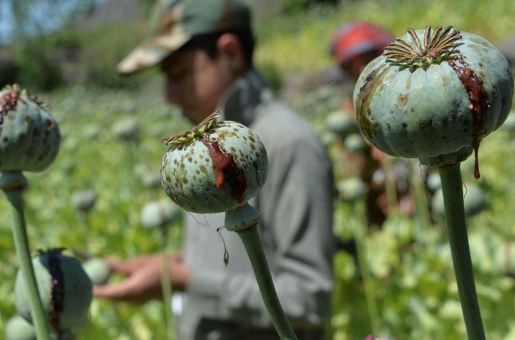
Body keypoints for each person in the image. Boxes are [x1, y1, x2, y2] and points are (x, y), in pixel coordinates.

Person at [93, 0, 336, 339]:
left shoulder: (288, 144)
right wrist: (170, 266)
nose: (170, 96)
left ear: (230, 53)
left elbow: (308, 300)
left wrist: (184, 281)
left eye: (178, 74)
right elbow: (238, 256)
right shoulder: (207, 150)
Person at [327, 22, 414, 227]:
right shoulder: (347, 111)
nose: (360, 69)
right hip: (376, 197)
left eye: (366, 60)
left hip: (409, 187)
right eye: (352, 65)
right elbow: (351, 169)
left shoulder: (405, 97)